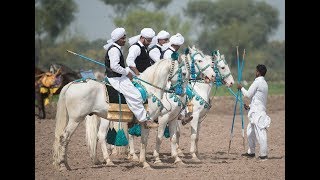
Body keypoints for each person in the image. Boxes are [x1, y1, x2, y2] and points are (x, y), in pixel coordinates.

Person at [103, 27, 159, 129]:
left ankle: (133, 117)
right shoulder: (114, 49)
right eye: (122, 39)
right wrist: (127, 72)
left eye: (124, 38)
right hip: (116, 78)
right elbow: (114, 66)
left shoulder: (116, 48)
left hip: (120, 77)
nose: (125, 40)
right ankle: (143, 120)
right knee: (136, 95)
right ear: (117, 39)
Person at [237, 64, 271, 160]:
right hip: (255, 110)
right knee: (250, 132)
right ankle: (251, 152)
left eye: (256, 71)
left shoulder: (257, 82)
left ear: (258, 72)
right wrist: (250, 106)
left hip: (258, 113)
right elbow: (258, 99)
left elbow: (248, 95)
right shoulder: (264, 83)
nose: (255, 72)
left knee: (261, 133)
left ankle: (263, 155)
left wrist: (241, 88)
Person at [162, 33, 193, 125]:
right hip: (168, 78)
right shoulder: (169, 53)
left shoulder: (173, 53)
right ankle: (179, 113)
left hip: (174, 77)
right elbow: (170, 68)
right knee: (183, 91)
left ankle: (183, 113)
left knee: (187, 91)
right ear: (178, 45)